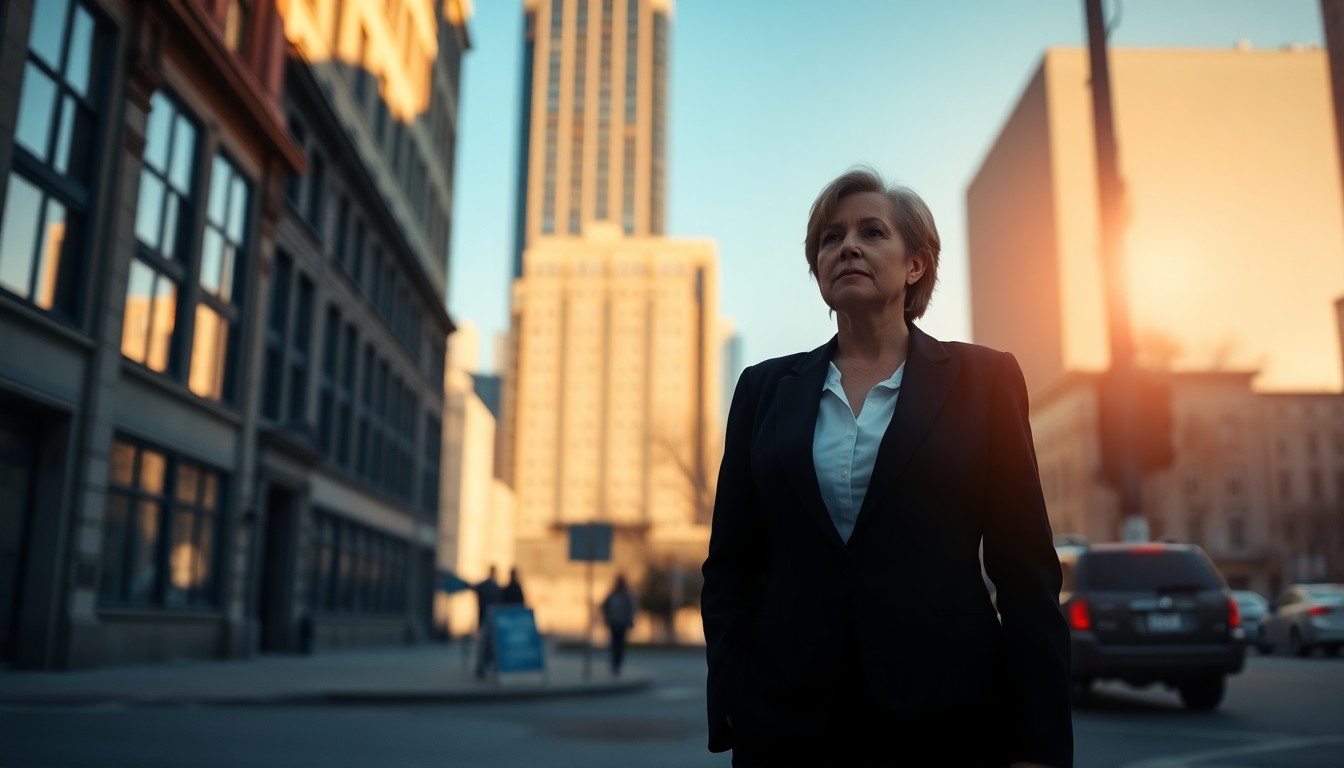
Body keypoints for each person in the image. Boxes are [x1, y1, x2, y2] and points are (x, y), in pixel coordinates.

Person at [700, 167, 1073, 768]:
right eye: (830, 238)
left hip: (948, 720)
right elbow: (730, 567)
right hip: (786, 725)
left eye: (872, 232)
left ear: (915, 265)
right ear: (818, 268)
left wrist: (1040, 745)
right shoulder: (763, 389)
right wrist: (736, 695)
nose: (846, 246)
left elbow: (1026, 569)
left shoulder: (985, 380)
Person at [601, 574, 637, 676]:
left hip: (622, 624)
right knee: (614, 645)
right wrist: (606, 617)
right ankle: (614, 665)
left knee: (620, 645)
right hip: (613, 623)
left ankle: (617, 665)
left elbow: (631, 610)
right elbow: (604, 606)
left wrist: (630, 621)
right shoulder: (612, 595)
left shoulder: (626, 596)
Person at [473, 565, 503, 679]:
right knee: (487, 646)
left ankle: (482, 668)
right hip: (490, 619)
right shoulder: (494, 586)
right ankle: (484, 668)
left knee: (485, 646)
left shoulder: (486, 585)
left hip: (485, 619)